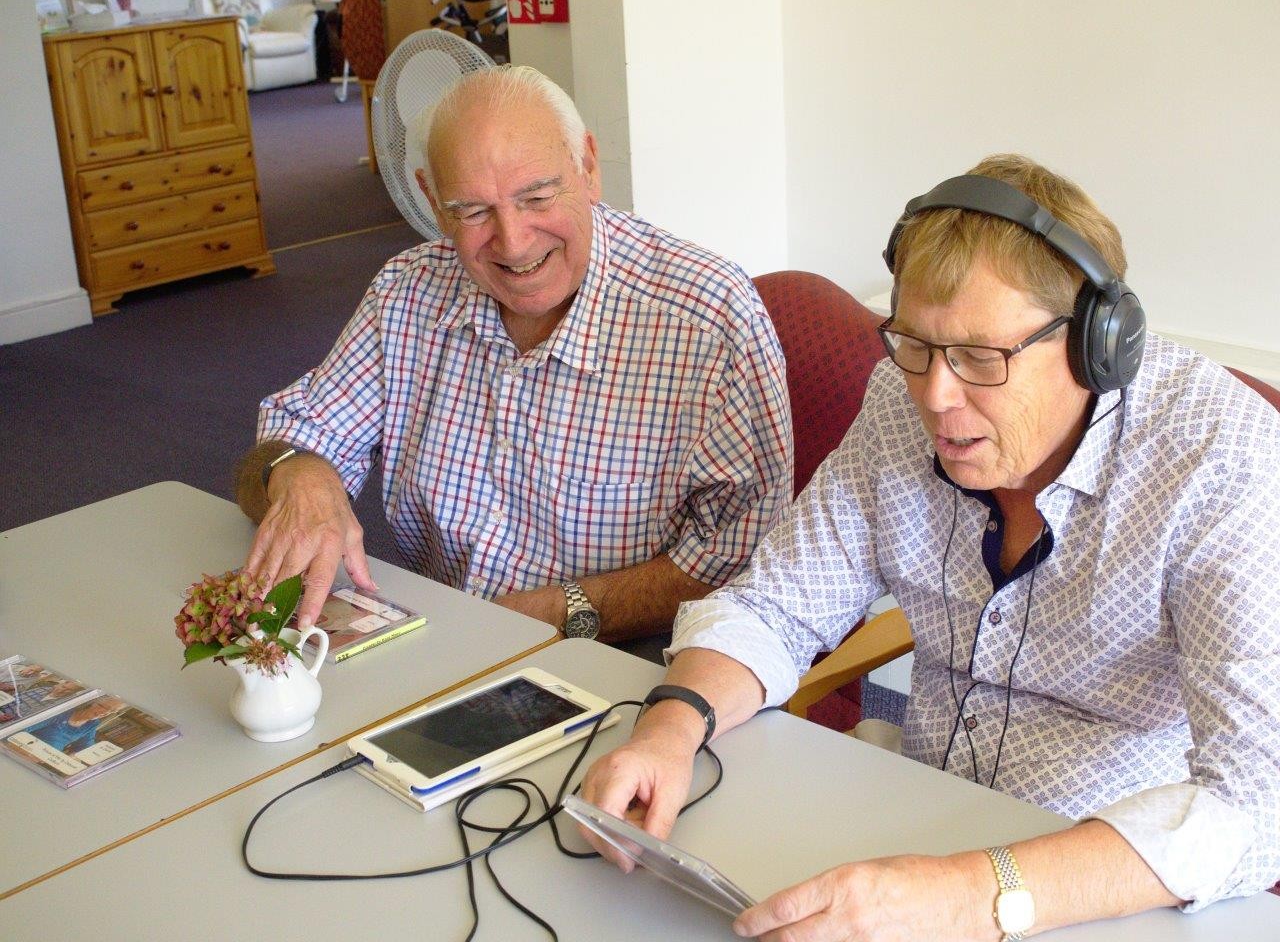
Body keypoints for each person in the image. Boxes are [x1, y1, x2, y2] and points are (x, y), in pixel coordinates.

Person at [580, 154, 1280, 939]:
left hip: (1104, 887)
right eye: (914, 344)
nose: (936, 398)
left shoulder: (1225, 461)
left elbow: (1257, 801)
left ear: (1095, 346)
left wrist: (966, 893)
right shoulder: (899, 399)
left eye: (982, 358)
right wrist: (672, 726)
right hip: (917, 832)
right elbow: (775, 606)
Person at [234, 66, 792, 645]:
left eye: (537, 197)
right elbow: (291, 438)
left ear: (589, 168)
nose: (514, 242)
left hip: (631, 660)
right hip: (447, 643)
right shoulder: (406, 291)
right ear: (432, 200)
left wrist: (559, 610)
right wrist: (295, 472)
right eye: (472, 211)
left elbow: (746, 564)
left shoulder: (707, 320)